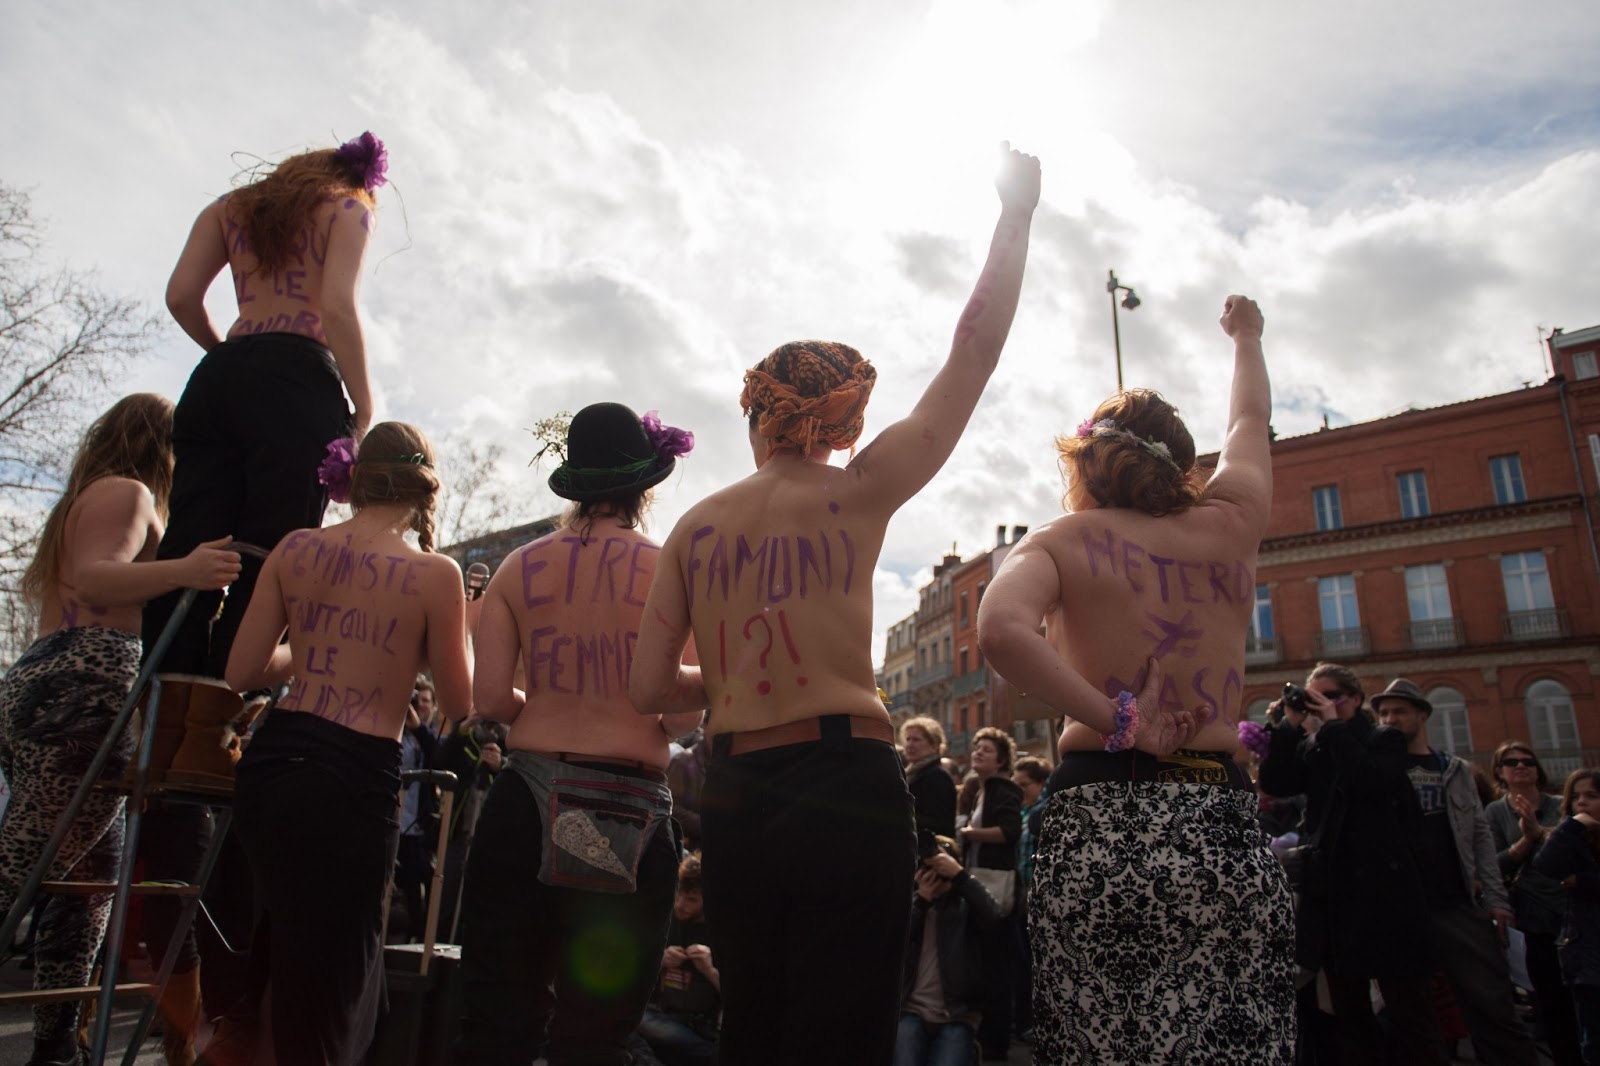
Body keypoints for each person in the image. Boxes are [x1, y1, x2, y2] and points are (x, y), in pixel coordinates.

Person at [631, 145, 1041, 1066]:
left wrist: (729, 679)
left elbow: (649, 688)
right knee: (845, 1031)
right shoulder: (858, 492)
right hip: (847, 781)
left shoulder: (695, 527)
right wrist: (1015, 216)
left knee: (754, 1025)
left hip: (738, 788)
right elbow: (972, 355)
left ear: (757, 416)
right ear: (841, 418)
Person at [977, 296, 1295, 1063]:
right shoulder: (1231, 522)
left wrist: (1118, 718)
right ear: (1183, 469)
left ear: (1084, 462)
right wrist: (1247, 336)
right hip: (1217, 814)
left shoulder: (1060, 540)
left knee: (1102, 1040)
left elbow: (1000, 632)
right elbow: (1249, 423)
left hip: (1098, 810)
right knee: (1230, 1040)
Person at [456, 402, 701, 1066]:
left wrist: (544, 700)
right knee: (596, 1037)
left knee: (497, 1024)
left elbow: (489, 701)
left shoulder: (517, 568)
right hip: (633, 808)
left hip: (528, 795)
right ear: (644, 486)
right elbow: (682, 719)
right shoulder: (672, 571)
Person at [222, 421, 472, 1066]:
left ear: (354, 480)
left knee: (278, 950)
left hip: (274, 766)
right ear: (423, 487)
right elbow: (460, 701)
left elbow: (243, 670)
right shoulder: (434, 573)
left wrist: (310, 645)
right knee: (332, 975)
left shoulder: (295, 548)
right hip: (354, 778)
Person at [0, 395, 239, 1066]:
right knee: (25, 867)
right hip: (81, 690)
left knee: (86, 883)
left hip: (71, 689)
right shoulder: (126, 493)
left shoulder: (97, 496)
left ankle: (55, 1044)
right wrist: (187, 571)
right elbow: (94, 581)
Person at [1370, 679, 1538, 1065]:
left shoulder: (1454, 769)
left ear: (1422, 715)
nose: (1390, 719)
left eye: (1399, 712)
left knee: (1492, 1006)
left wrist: (1496, 899)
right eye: (1384, 713)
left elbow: (1479, 836)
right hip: (1401, 910)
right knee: (1411, 1016)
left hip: (1455, 904)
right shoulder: (1376, 770)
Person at [1486, 742, 1580, 1065]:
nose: (1521, 766)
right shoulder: (1495, 812)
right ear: (1500, 772)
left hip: (1571, 908)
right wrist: (1526, 841)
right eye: (1511, 762)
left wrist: (1540, 832)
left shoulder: (1560, 804)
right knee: (1550, 996)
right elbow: (1494, 863)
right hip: (1532, 914)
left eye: (1527, 761)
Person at [895, 836, 1004, 1066]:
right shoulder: (913, 904)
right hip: (911, 1010)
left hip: (957, 1013)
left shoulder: (966, 907)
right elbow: (894, 940)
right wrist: (922, 900)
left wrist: (961, 877)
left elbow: (995, 916)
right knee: (905, 1046)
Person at [959, 728, 1022, 1061]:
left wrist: (970, 833)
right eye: (976, 747)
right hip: (980, 878)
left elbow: (1010, 832)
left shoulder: (1004, 789)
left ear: (1001, 759)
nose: (978, 753)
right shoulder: (981, 789)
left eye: (986, 749)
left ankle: (996, 1038)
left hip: (995, 882)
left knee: (996, 964)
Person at [1534, 769, 1600, 1065]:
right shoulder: (1573, 837)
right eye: (1575, 797)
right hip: (1586, 953)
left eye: (1592, 796)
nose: (1581, 803)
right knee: (1594, 1039)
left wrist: (1583, 881)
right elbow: (1546, 866)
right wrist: (1570, 826)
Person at [632, 855, 722, 1066]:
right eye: (679, 894)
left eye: (691, 900)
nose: (681, 904)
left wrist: (709, 969)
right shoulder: (665, 923)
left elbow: (741, 999)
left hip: (700, 1027)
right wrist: (659, 961)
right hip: (661, 1017)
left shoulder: (719, 934)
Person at [902, 716, 957, 838]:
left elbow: (941, 824)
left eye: (916, 740)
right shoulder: (909, 773)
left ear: (934, 746)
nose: (910, 745)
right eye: (908, 739)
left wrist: (899, 815)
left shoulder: (937, 776)